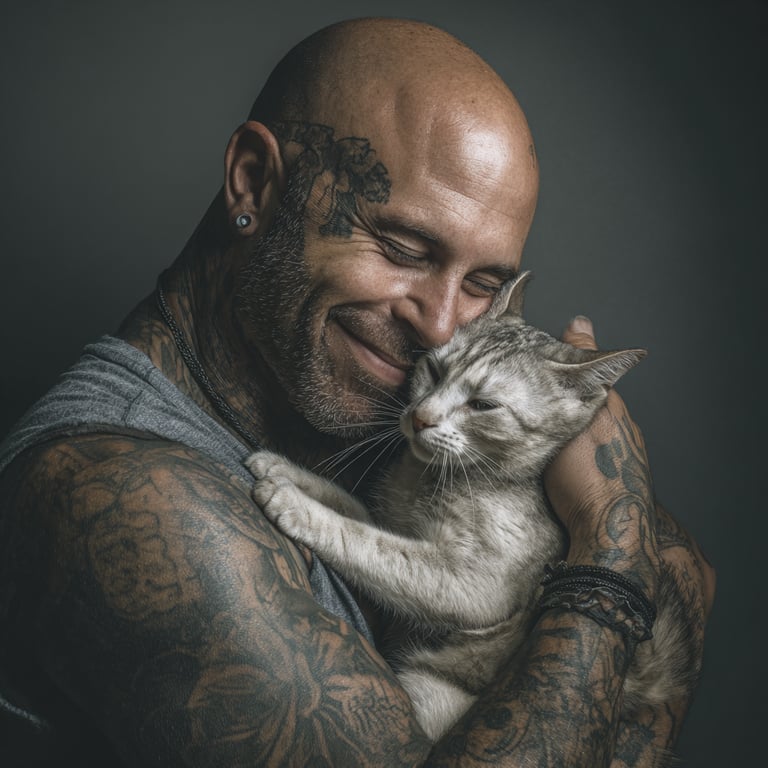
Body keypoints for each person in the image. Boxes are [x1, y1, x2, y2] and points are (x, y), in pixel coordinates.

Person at [0, 17, 714, 767]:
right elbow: (660, 580)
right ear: (253, 183)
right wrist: (608, 546)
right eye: (403, 248)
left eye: (482, 284)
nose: (441, 328)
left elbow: (692, 573)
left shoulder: (364, 408)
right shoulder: (138, 504)